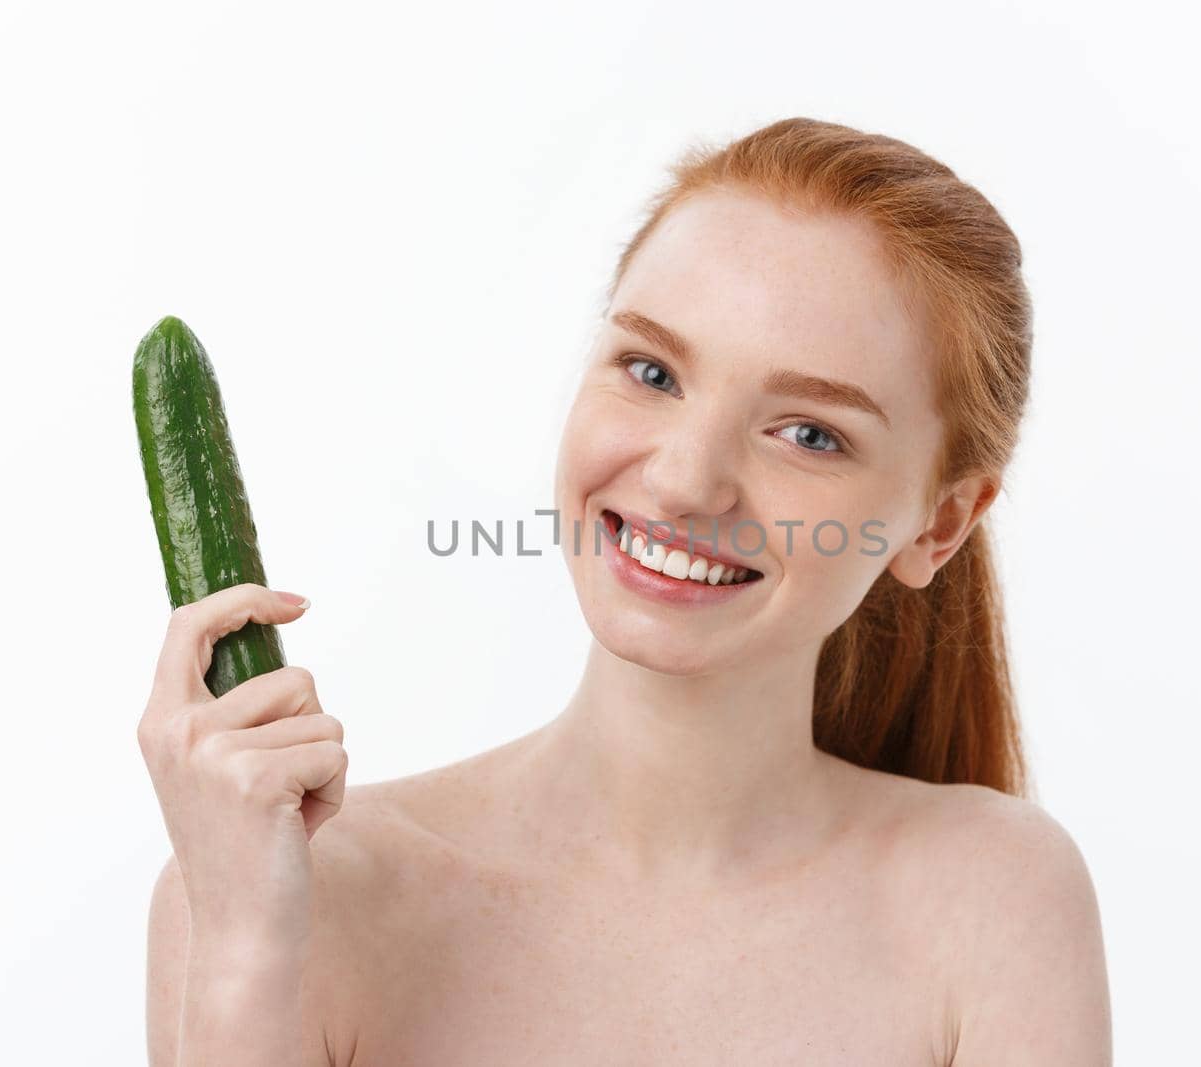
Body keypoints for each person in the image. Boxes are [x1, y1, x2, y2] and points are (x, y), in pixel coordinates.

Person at [139, 116, 1112, 1066]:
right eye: (650, 371)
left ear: (939, 523)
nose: (686, 480)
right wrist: (243, 948)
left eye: (809, 432)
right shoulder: (279, 894)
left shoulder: (993, 901)